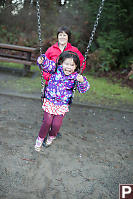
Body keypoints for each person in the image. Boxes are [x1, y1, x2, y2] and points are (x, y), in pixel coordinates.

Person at [35, 51, 90, 152]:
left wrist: (82, 81)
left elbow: (84, 89)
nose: (69, 67)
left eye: (72, 65)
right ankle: (40, 139)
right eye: (66, 64)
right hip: (50, 101)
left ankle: (51, 137)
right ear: (61, 63)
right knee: (47, 122)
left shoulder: (75, 77)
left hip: (62, 104)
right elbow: (47, 64)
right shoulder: (56, 69)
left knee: (56, 125)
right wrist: (42, 60)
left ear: (75, 67)